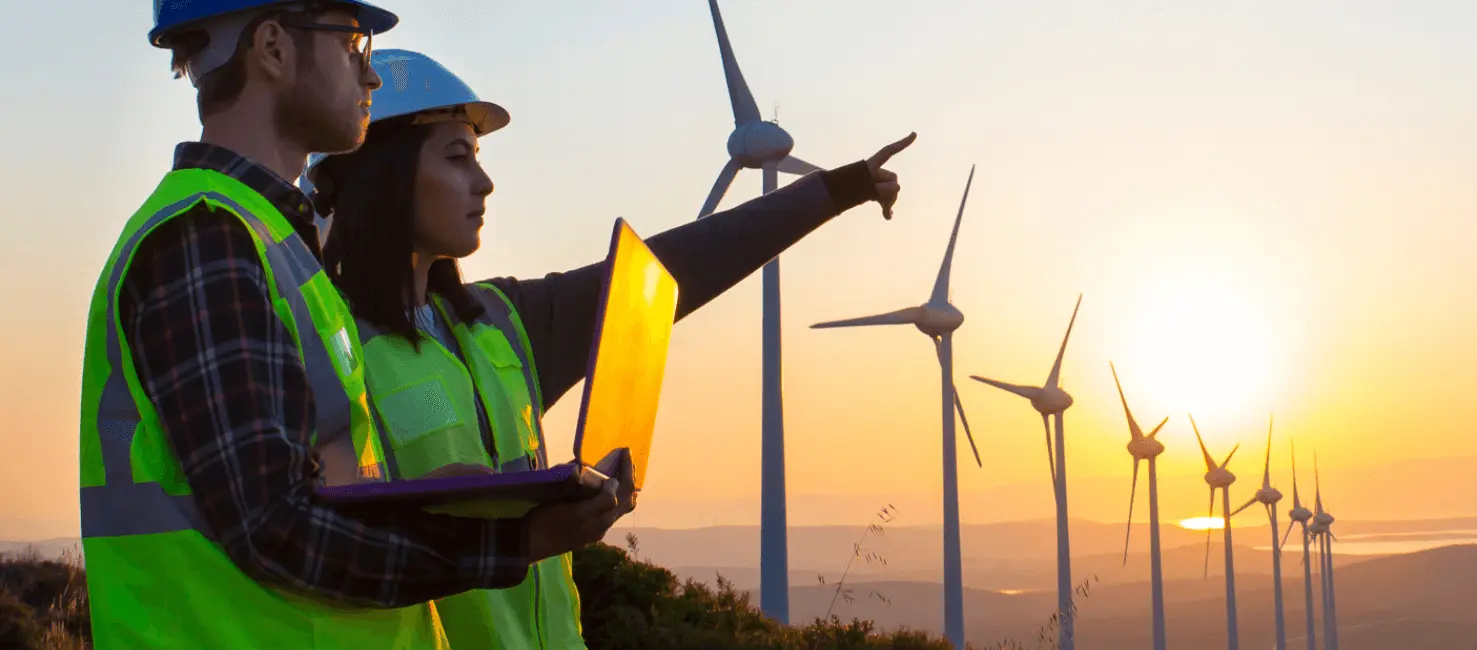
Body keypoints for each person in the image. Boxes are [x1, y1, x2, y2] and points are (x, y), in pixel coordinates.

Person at [306, 48, 916, 649]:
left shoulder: (503, 322)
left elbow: (676, 267)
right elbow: (323, 549)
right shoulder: (321, 347)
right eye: (458, 157)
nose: (484, 182)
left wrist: (836, 189)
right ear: (385, 174)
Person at [78, 3, 623, 647]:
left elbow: (309, 486)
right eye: (353, 43)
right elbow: (275, 529)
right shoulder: (205, 241)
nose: (369, 77)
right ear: (274, 49)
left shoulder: (271, 241)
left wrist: (426, 496)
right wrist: (517, 540)